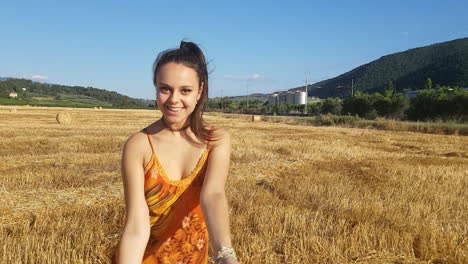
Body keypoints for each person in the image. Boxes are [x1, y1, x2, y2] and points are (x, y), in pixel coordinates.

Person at [111, 41, 239, 264]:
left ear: (200, 91)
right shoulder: (139, 145)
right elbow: (135, 226)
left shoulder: (216, 141)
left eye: (185, 90)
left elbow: (213, 195)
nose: (173, 99)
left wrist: (225, 254)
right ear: (156, 88)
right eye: (165, 89)